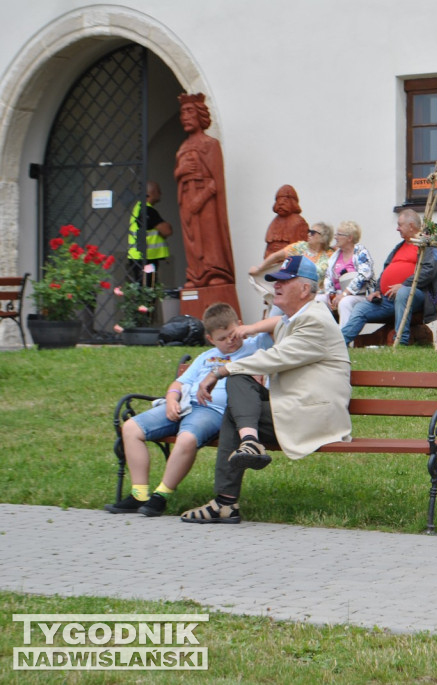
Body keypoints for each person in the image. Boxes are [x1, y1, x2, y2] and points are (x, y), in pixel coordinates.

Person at [180, 255, 352, 524]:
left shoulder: (315, 320)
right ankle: (248, 447)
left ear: (305, 289)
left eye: (284, 281)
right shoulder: (293, 318)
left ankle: (226, 500)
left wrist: (219, 371)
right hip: (293, 406)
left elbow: (276, 358)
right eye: (275, 281)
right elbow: (275, 333)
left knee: (235, 393)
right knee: (239, 389)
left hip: (313, 415)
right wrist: (244, 341)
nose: (276, 286)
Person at [103, 302, 272, 517]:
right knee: (131, 428)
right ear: (210, 339)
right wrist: (172, 399)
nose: (230, 341)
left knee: (186, 438)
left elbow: (279, 323)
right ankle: (139, 494)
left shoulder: (256, 345)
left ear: (239, 325)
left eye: (233, 333)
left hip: (213, 411)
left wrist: (249, 329)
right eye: (222, 338)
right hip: (184, 405)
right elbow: (179, 384)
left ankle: (160, 496)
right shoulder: (205, 357)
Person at [341, 209, 437, 346]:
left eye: (400, 225)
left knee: (403, 293)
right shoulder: (399, 247)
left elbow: (429, 270)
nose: (397, 228)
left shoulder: (428, 245)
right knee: (361, 308)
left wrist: (404, 284)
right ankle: (339, 344)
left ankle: (400, 341)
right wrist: (377, 290)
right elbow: (386, 270)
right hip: (387, 298)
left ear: (411, 226)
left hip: (416, 295)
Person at [174, 92, 235, 288]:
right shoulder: (182, 147)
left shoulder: (210, 145)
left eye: (189, 111)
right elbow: (178, 174)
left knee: (210, 237)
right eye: (182, 112)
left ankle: (215, 272)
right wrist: (181, 171)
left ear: (200, 115)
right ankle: (196, 274)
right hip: (186, 198)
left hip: (205, 199)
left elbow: (216, 181)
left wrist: (200, 199)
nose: (185, 116)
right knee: (191, 240)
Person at [249, 221, 334, 293]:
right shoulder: (300, 247)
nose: (308, 234)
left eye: (312, 232)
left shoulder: (329, 255)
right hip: (293, 292)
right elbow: (276, 256)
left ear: (323, 237)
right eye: (309, 231)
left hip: (316, 295)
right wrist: (259, 268)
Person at [324, 220, 375, 329]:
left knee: (344, 302)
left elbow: (364, 275)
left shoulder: (360, 252)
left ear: (350, 238)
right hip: (338, 294)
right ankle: (323, 339)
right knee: (318, 301)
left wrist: (345, 294)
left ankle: (344, 341)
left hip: (359, 295)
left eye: (339, 234)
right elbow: (328, 276)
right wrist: (330, 295)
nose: (335, 237)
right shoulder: (335, 255)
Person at [127, 180, 173, 287]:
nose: (160, 194)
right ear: (151, 192)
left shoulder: (139, 208)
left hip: (137, 258)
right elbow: (167, 231)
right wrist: (166, 226)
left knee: (142, 292)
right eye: (158, 191)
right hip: (144, 259)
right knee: (147, 292)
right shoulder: (147, 210)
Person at [263, 185, 309, 258]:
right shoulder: (274, 221)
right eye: (279, 200)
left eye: (285, 200)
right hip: (272, 263)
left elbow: (299, 250)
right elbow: (269, 247)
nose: (281, 203)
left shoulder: (298, 222)